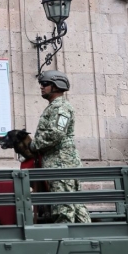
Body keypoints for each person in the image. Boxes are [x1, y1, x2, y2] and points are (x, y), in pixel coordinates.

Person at [11, 71, 90, 225]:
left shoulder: (61, 107)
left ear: (56, 86)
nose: (41, 87)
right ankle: (89, 238)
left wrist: (33, 146)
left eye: (45, 84)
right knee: (76, 207)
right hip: (59, 163)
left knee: (63, 208)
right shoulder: (54, 107)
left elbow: (55, 133)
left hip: (61, 164)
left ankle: (67, 242)